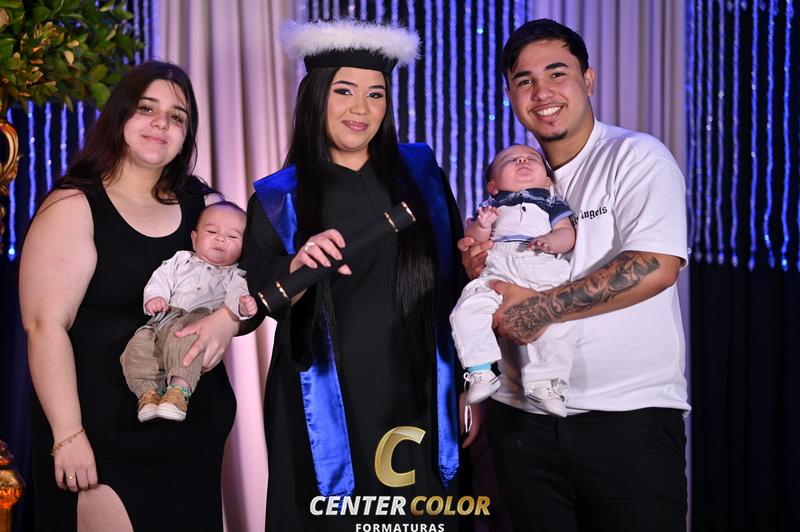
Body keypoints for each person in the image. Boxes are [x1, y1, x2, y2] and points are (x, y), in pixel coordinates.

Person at [239, 20, 474, 531]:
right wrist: (294, 267)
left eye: (376, 94)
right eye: (344, 91)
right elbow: (250, 297)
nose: (361, 109)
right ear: (316, 96)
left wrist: (468, 381)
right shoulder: (280, 198)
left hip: (421, 389)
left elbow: (457, 285)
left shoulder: (424, 177)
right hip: (326, 399)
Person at [460, 19, 689, 531]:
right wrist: (475, 264)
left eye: (557, 73)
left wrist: (538, 310)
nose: (542, 92)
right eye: (524, 80)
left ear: (588, 79)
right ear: (510, 95)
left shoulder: (635, 156)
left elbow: (657, 265)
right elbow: (487, 276)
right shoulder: (511, 176)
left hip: (625, 420)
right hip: (521, 418)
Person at [19, 61, 239, 531]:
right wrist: (67, 435)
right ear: (120, 115)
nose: (161, 124)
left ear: (186, 134)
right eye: (146, 109)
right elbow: (44, 327)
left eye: (177, 116)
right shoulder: (74, 206)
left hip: (192, 437)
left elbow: (251, 288)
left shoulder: (206, 209)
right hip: (103, 441)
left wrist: (230, 320)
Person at [450, 143, 577, 417]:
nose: (522, 160)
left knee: (556, 321)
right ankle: (481, 369)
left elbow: (567, 234)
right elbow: (474, 240)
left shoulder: (551, 203)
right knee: (468, 308)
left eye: (532, 158)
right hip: (498, 263)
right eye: (510, 159)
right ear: (493, 186)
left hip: (539, 261)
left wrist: (551, 241)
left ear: (547, 180)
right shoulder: (491, 206)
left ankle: (546, 384)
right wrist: (482, 226)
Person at [121, 202, 256, 423]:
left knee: (186, 341)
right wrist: (156, 297)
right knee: (138, 346)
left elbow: (236, 301)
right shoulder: (180, 260)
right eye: (211, 232)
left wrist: (244, 307)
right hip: (164, 318)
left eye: (232, 237)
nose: (220, 239)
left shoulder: (237, 275)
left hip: (200, 319)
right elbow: (161, 279)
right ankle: (149, 394)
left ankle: (179, 390)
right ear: (194, 238)